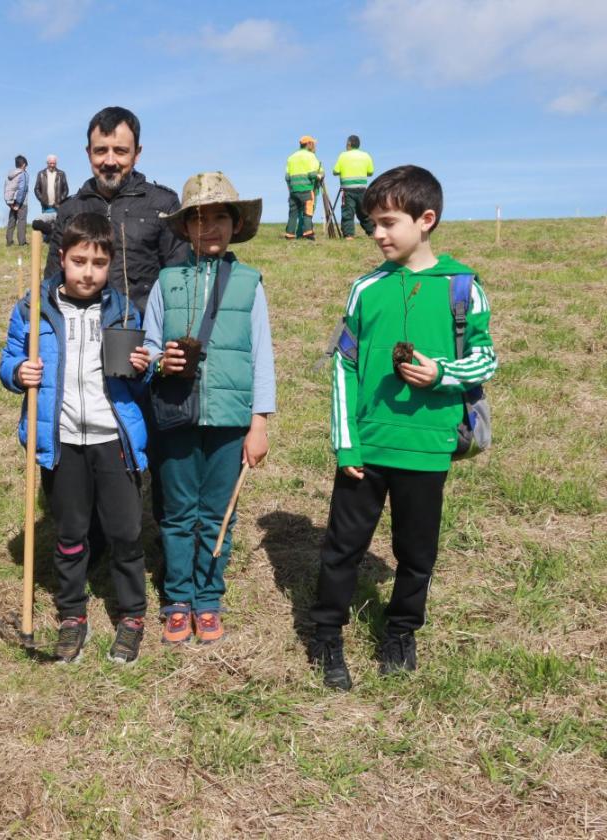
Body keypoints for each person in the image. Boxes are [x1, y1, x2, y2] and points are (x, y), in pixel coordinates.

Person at [308, 165, 497, 690]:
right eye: (372, 223)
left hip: (428, 447)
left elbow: (486, 359)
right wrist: (346, 441)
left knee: (417, 551)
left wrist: (443, 373)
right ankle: (327, 634)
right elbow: (343, 365)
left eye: (388, 222)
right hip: (365, 448)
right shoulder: (365, 289)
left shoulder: (462, 286)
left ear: (427, 219)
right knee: (342, 547)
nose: (377, 234)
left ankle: (401, 631)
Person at [0, 213, 150, 664]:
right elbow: (9, 360)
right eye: (79, 260)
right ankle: (71, 615)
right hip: (61, 440)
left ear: (110, 264)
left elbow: (140, 384)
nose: (88, 271)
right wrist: (16, 373)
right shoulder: (33, 307)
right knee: (69, 533)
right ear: (60, 258)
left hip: (112, 439)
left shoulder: (123, 311)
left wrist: (144, 369)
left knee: (125, 532)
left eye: (98, 263)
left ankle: (132, 615)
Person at [142, 172, 273, 646]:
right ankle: (178, 596)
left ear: (236, 224)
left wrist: (258, 423)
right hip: (176, 416)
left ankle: (208, 596)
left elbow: (262, 357)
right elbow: (149, 347)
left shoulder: (250, 283)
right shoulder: (166, 280)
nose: (210, 227)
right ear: (184, 229)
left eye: (220, 217)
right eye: (199, 219)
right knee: (178, 512)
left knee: (219, 514)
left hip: (230, 420)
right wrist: (160, 360)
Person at [44, 107, 188, 316]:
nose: (110, 161)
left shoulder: (163, 205)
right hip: (79, 340)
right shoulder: (69, 209)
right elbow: (52, 284)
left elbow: (179, 284)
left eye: (120, 151)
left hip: (143, 339)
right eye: (101, 150)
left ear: (137, 154)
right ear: (88, 152)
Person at [333, 135, 376, 239]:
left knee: (348, 212)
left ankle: (349, 235)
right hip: (362, 189)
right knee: (364, 212)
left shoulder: (343, 155)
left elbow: (335, 171)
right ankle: (373, 232)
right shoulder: (366, 155)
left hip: (347, 189)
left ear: (349, 144)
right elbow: (370, 172)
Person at [285, 135, 323, 240]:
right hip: (306, 188)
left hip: (293, 190)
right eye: (313, 143)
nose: (314, 145)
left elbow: (287, 177)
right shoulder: (311, 156)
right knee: (308, 211)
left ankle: (290, 234)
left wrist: (290, 190)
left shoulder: (291, 157)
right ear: (308, 144)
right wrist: (320, 175)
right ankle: (308, 232)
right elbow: (312, 174)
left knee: (293, 213)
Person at [4, 155, 29, 247]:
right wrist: (18, 204)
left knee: (12, 220)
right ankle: (22, 242)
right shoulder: (23, 174)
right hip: (21, 202)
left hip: (10, 200)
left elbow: (6, 188)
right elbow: (22, 189)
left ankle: (9, 241)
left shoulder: (10, 174)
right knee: (21, 221)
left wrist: (9, 202)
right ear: (23, 165)